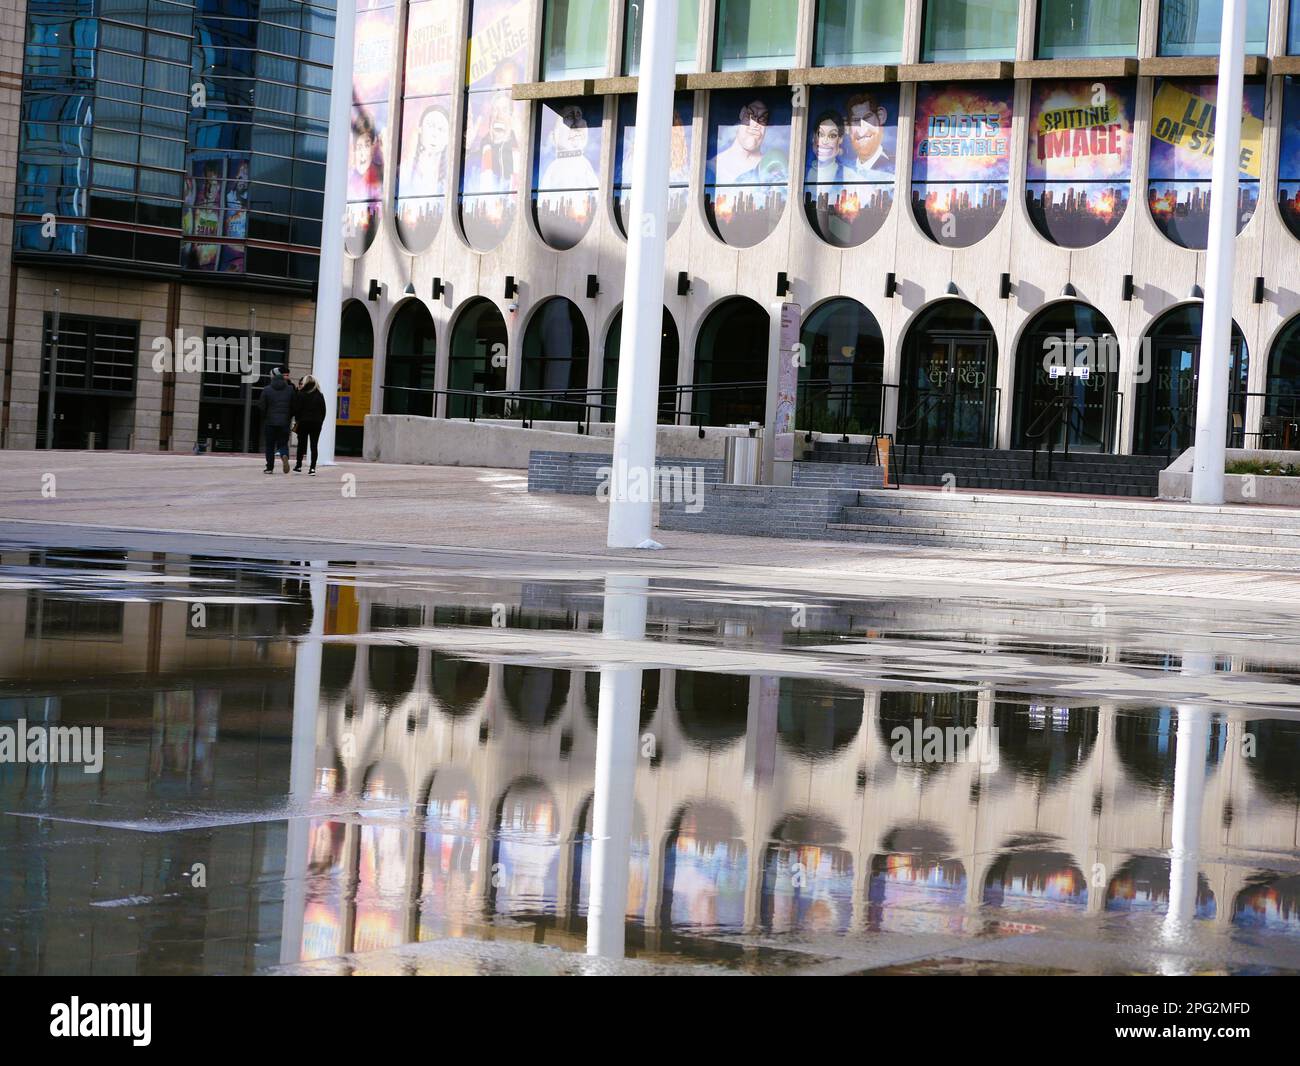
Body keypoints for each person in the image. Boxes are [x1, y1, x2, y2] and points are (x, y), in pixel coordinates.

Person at [258, 366, 295, 474]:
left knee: (270, 445)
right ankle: (284, 455)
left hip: (270, 422)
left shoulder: (266, 390)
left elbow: (262, 406)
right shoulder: (290, 389)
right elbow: (294, 406)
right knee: (283, 443)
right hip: (284, 422)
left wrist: (265, 417)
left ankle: (269, 468)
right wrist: (289, 416)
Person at [292, 374, 327, 475]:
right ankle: (312, 468)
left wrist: (297, 420)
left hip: (303, 422)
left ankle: (298, 466)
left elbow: (297, 409)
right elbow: (323, 411)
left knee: (301, 445)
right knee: (314, 445)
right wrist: (320, 421)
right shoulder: (319, 395)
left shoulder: (301, 394)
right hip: (316, 423)